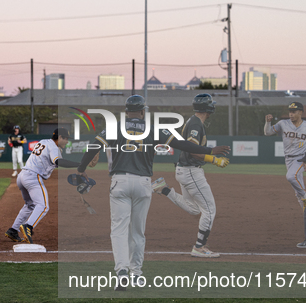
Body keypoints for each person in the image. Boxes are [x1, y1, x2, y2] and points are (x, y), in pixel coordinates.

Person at [77, 95, 231, 290]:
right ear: (143, 112)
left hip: (120, 181)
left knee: (119, 229)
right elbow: (183, 144)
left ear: (126, 112)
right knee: (138, 232)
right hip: (143, 183)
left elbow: (94, 146)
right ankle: (137, 274)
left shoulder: (115, 126)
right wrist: (209, 150)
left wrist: (81, 168)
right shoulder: (153, 128)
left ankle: (122, 272)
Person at [157, 93, 230, 258]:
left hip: (184, 170)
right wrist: (214, 159)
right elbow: (192, 150)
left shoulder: (193, 121)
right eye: (212, 104)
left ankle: (164, 189)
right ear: (208, 108)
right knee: (209, 210)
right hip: (191, 171)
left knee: (194, 209)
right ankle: (199, 247)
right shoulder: (196, 124)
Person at [5, 128, 79, 244]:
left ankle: (13, 230)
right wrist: (79, 165)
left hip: (22, 176)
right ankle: (28, 226)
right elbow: (58, 162)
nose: (67, 142)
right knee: (43, 206)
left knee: (30, 205)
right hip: (33, 177)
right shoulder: (54, 147)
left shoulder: (44, 141)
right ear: (59, 138)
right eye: (65, 139)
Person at [265, 102, 306, 210]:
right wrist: (268, 122)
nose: (291, 114)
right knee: (298, 193)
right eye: (290, 112)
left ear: (300, 112)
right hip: (288, 159)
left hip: (301, 158)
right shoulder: (283, 123)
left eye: (294, 112)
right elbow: (268, 132)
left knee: (291, 176)